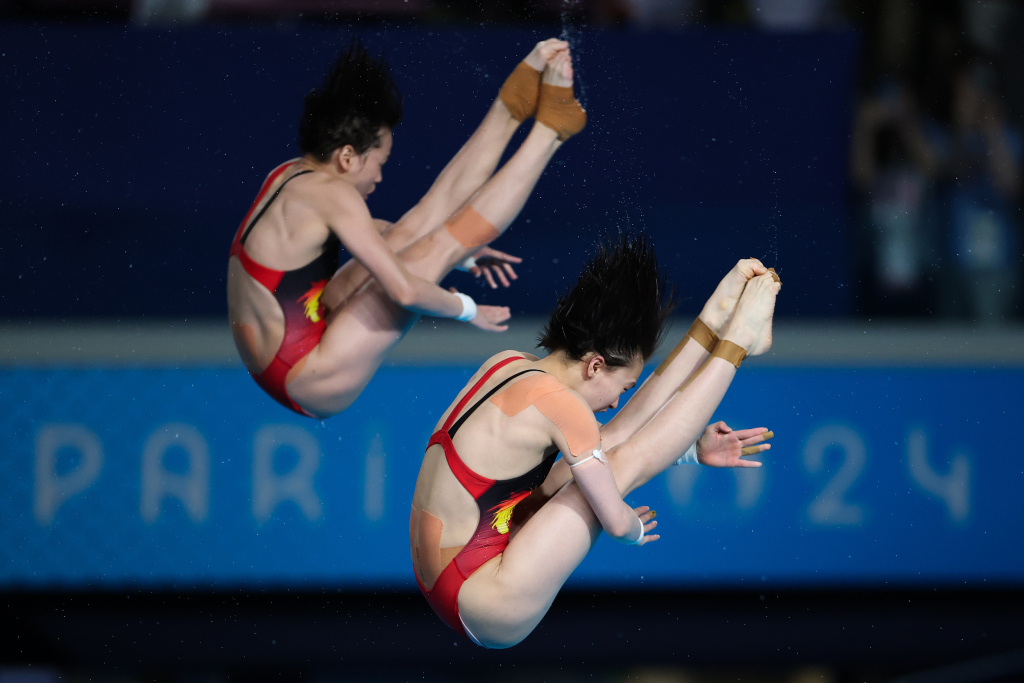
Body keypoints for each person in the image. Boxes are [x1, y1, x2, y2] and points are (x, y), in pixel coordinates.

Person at [409, 235, 781, 648]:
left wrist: (688, 450)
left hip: (447, 583)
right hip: (486, 604)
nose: (615, 402)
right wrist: (635, 529)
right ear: (595, 365)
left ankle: (715, 321)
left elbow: (606, 440)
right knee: (622, 468)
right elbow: (617, 516)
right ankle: (738, 341)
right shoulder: (561, 407)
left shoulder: (505, 364)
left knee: (606, 457)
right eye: (621, 388)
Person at [227, 38, 586, 417]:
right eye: (379, 162)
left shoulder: (290, 174)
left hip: (289, 352)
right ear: (347, 156)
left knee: (414, 230)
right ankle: (550, 133)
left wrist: (465, 260)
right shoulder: (335, 195)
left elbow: (375, 233)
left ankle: (512, 105)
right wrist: (466, 309)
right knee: (440, 246)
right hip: (308, 378)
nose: (379, 177)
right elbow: (404, 291)